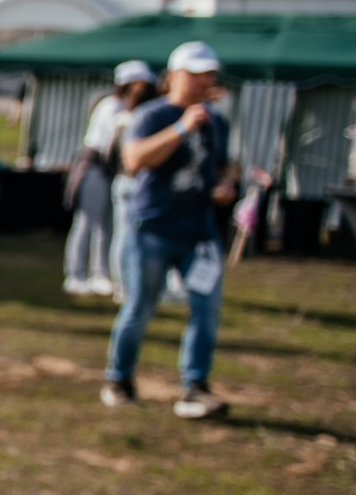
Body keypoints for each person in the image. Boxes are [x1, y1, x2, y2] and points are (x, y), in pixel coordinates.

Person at [102, 41, 238, 420]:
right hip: (153, 228)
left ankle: (194, 387)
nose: (204, 82)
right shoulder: (153, 114)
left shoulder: (216, 121)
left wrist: (225, 184)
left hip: (200, 230)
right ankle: (118, 378)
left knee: (206, 309)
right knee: (140, 308)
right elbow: (134, 160)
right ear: (174, 76)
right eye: (196, 75)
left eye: (209, 75)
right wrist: (181, 127)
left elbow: (223, 166)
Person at [67, 60, 153, 297]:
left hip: (108, 170)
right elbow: (108, 147)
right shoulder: (112, 107)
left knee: (105, 225)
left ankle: (100, 273)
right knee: (86, 222)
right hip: (95, 167)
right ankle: (75, 275)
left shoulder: (123, 107)